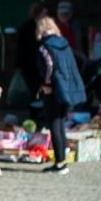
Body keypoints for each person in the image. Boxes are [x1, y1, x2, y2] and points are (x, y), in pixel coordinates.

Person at [34, 15, 86, 175]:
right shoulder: (64, 44)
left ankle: (60, 163)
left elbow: (49, 65)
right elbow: (82, 60)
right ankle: (62, 161)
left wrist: (47, 84)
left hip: (53, 90)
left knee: (54, 125)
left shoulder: (45, 46)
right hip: (66, 89)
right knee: (60, 125)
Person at [15, 1, 50, 106]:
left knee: (37, 89)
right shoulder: (28, 28)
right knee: (34, 89)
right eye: (44, 14)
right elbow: (22, 47)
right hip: (30, 64)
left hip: (37, 63)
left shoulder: (39, 27)